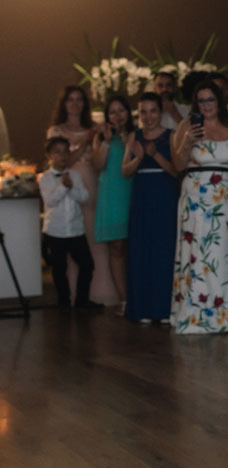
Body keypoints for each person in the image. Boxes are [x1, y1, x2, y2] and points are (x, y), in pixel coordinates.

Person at [169, 80, 228, 334]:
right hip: (196, 200)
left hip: (225, 200)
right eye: (201, 101)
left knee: (225, 252)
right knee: (199, 254)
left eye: (210, 100)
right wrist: (188, 142)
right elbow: (179, 165)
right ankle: (197, 315)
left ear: (219, 102)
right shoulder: (185, 127)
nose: (206, 105)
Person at [47, 85, 116, 305]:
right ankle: (70, 296)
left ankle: (97, 293)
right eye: (70, 99)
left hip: (92, 184)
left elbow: (99, 161)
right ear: (64, 103)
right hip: (67, 185)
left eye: (79, 99)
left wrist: (102, 139)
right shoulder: (56, 131)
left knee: (94, 238)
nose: (75, 104)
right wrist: (85, 141)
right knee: (71, 238)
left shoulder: (94, 128)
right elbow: (64, 160)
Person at [122, 93, 179, 324]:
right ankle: (143, 308)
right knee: (141, 249)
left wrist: (155, 156)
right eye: (143, 112)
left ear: (160, 112)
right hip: (142, 196)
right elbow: (124, 171)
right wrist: (138, 159)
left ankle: (165, 309)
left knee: (165, 250)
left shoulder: (171, 136)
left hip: (165, 196)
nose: (148, 117)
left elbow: (177, 172)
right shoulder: (134, 136)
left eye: (152, 111)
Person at [39, 136, 98, 310]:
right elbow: (50, 201)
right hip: (54, 231)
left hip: (75, 230)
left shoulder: (76, 175)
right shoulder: (45, 178)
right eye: (57, 152)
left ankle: (82, 301)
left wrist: (71, 187)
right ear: (49, 155)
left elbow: (85, 197)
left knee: (87, 264)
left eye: (65, 152)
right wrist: (64, 187)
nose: (62, 156)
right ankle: (64, 302)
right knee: (58, 269)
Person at [90, 95, 135, 313]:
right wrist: (107, 141)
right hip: (111, 194)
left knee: (135, 246)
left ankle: (140, 296)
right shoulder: (101, 138)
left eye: (121, 110)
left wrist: (128, 141)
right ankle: (124, 299)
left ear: (129, 112)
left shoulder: (136, 135)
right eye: (113, 112)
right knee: (116, 246)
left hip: (133, 192)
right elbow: (98, 165)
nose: (118, 116)